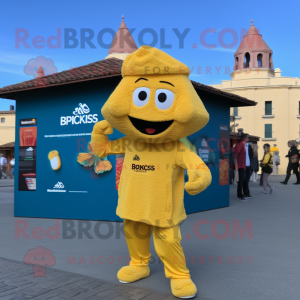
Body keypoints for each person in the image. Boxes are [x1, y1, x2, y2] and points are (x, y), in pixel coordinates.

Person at [234, 134, 249, 201]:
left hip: (242, 166)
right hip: (240, 165)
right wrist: (236, 166)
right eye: (247, 138)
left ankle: (242, 194)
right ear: (244, 139)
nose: (248, 139)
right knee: (240, 181)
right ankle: (239, 195)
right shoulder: (240, 145)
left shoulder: (243, 145)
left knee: (243, 180)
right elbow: (235, 156)